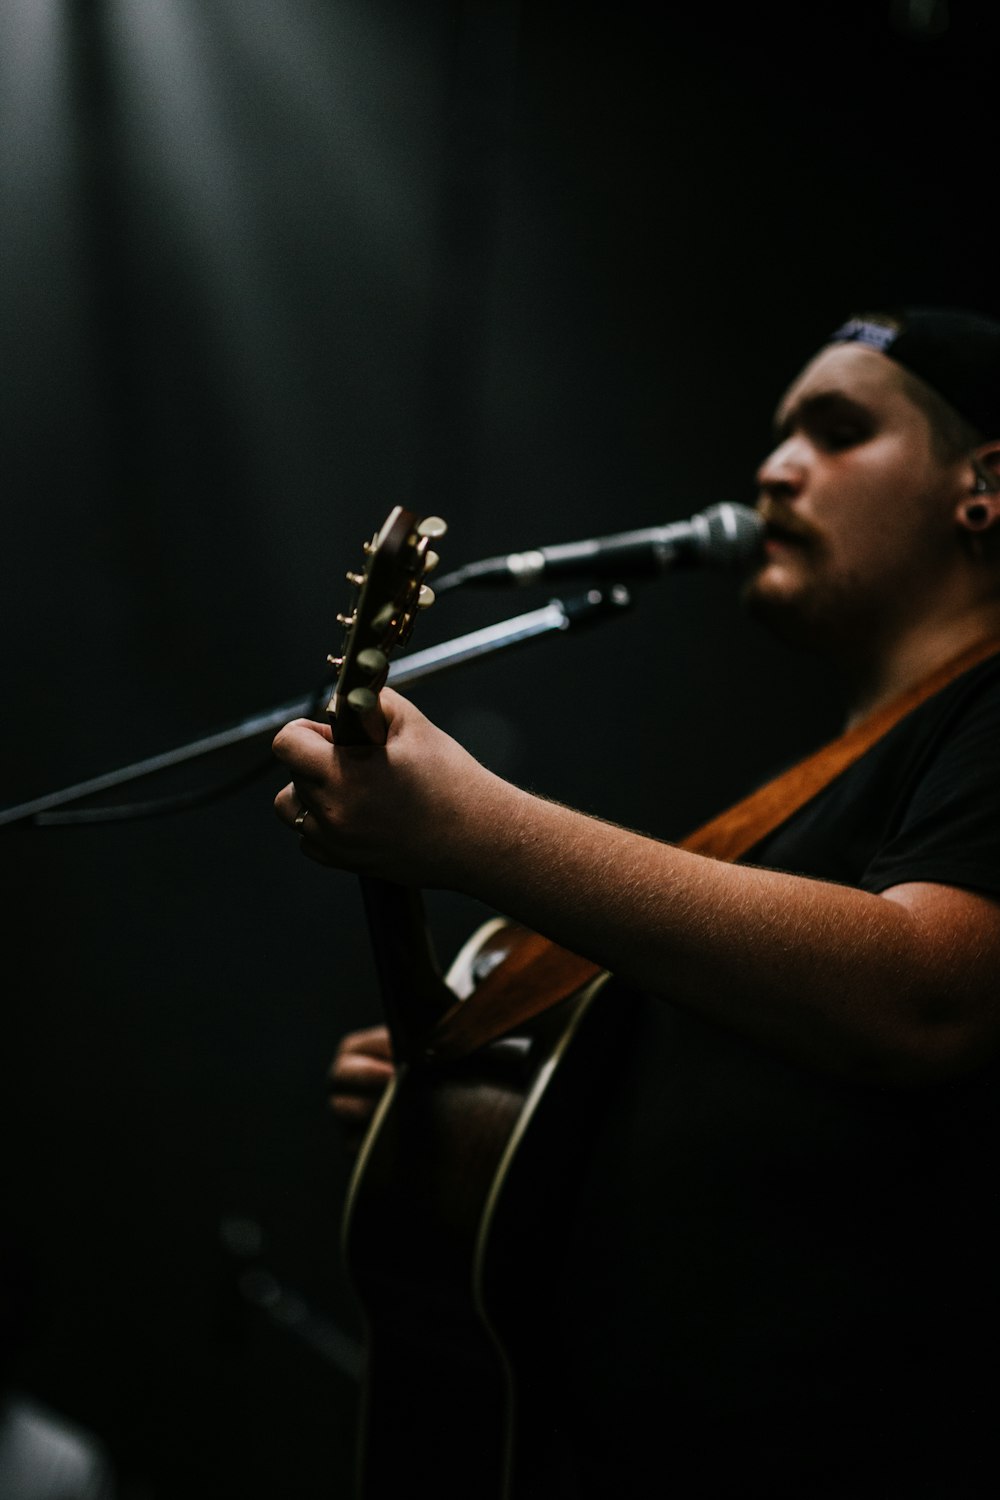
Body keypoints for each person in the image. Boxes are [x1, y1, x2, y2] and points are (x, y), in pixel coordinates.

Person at [273, 305, 1000, 1497]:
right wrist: (485, 1108)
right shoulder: (832, 784)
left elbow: (928, 994)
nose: (773, 467)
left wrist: (475, 829)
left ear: (984, 484)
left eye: (835, 430)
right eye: (776, 435)